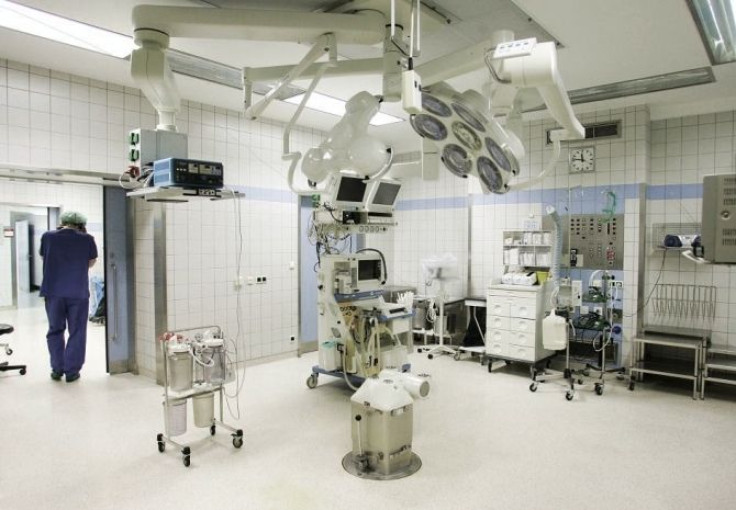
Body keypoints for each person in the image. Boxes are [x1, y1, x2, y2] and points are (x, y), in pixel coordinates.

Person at [39, 211, 98, 383]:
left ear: (62, 221)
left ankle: (57, 369)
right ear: (81, 224)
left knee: (55, 330)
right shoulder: (87, 239)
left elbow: (44, 256)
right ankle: (72, 371)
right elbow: (90, 262)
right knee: (77, 332)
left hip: (53, 292)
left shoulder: (47, 237)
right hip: (77, 293)